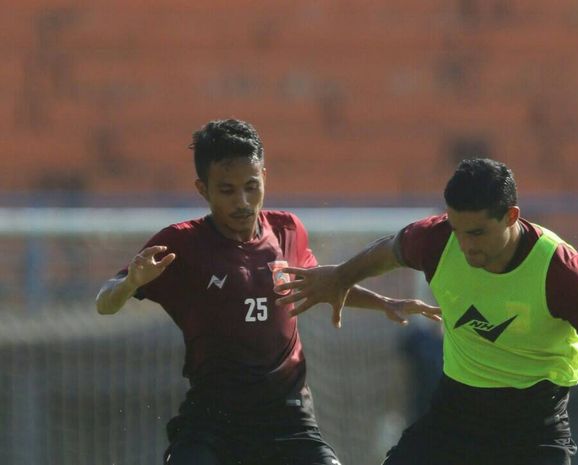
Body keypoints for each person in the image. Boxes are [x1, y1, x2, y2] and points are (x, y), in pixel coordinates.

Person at [95, 118, 440, 465]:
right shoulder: (180, 244)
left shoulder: (288, 230)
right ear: (203, 189)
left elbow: (321, 284)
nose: (242, 201)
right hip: (213, 422)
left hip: (288, 418)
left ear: (265, 177)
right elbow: (105, 305)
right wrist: (131, 283)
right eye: (227, 190)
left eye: (251, 186)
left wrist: (384, 303)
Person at [276, 158, 578, 465]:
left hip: (534, 426)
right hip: (456, 414)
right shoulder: (436, 239)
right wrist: (342, 277)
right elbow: (390, 250)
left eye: (477, 233)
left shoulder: (562, 272)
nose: (466, 245)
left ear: (511, 216)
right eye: (458, 229)